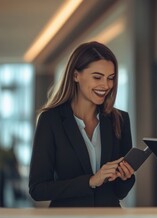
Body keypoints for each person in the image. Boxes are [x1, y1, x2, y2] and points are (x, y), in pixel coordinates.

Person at [29, 41, 135, 207]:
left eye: (111, 78)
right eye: (97, 77)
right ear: (75, 75)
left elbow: (120, 192)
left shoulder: (119, 119)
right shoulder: (50, 120)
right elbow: (38, 189)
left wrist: (126, 177)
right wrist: (91, 181)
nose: (106, 85)